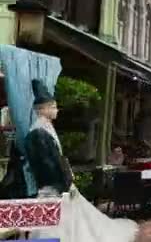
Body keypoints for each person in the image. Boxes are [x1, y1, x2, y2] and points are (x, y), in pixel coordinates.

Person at [25, 79, 138, 241]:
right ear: (43, 109)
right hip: (52, 187)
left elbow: (56, 158)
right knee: (56, 222)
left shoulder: (44, 129)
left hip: (57, 185)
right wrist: (63, 183)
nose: (57, 110)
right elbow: (47, 164)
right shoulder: (38, 132)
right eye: (54, 107)